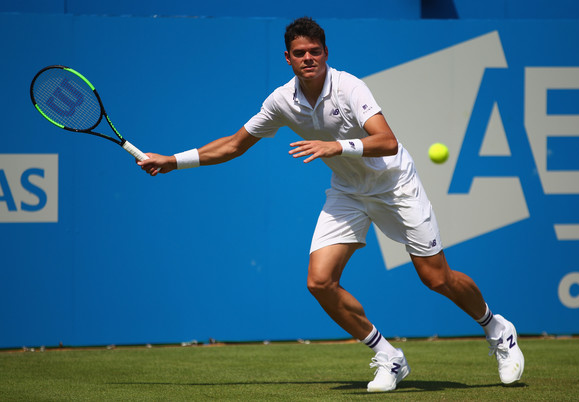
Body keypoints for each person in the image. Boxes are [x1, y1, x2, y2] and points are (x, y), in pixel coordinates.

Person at [138, 17, 524, 392]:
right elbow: (233, 145)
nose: (308, 58)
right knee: (319, 282)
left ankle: (497, 329)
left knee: (436, 278)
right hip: (348, 192)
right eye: (299, 53)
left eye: (315, 51)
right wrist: (172, 161)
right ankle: (388, 356)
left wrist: (336, 146)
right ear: (287, 59)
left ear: (326, 53)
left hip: (394, 185)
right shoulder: (281, 102)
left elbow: (387, 141)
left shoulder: (350, 88)